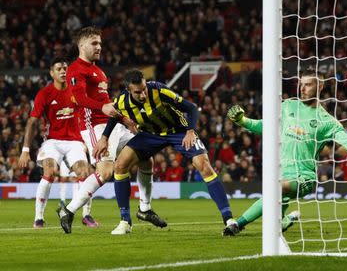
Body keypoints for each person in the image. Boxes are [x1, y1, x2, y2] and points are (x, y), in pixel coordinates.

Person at [225, 68, 347, 234]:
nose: (302, 88)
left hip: (303, 177)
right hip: (282, 172)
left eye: (308, 84)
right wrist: (242, 120)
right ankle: (284, 221)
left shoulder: (327, 121)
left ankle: (237, 225)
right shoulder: (288, 106)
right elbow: (266, 125)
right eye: (301, 84)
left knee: (275, 188)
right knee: (276, 203)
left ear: (320, 87)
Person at [93, 69, 239, 235]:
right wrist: (104, 138)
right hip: (150, 135)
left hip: (178, 132)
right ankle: (125, 221)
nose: (143, 95)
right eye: (137, 92)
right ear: (128, 90)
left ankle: (229, 219)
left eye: (144, 89)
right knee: (120, 165)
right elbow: (114, 116)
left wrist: (190, 131)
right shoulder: (121, 102)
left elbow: (191, 108)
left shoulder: (159, 90)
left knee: (203, 164)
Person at [56, 27, 166, 234]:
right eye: (94, 43)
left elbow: (107, 103)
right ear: (81, 45)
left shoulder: (99, 71)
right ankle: (68, 210)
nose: (99, 47)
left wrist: (125, 119)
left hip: (110, 123)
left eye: (100, 43)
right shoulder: (76, 69)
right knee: (106, 171)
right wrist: (103, 110)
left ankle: (145, 208)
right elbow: (78, 99)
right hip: (92, 125)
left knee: (145, 157)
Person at [18, 57, 91, 228]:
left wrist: (89, 139)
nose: (63, 71)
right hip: (53, 141)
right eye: (59, 69)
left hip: (75, 141)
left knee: (84, 173)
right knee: (50, 171)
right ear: (52, 73)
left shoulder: (76, 91)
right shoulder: (45, 94)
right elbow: (31, 121)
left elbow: (87, 116)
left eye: (65, 68)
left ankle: (86, 216)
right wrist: (25, 149)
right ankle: (39, 218)